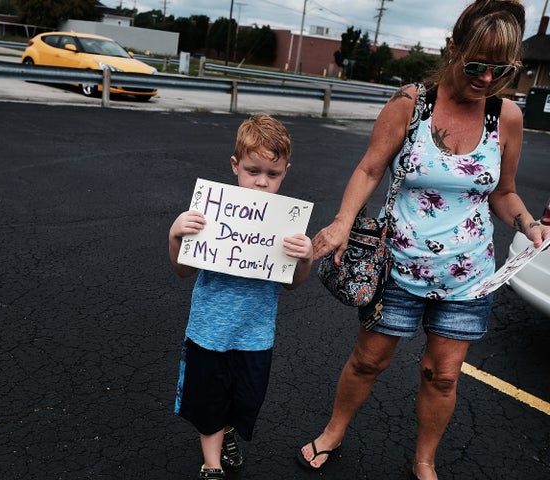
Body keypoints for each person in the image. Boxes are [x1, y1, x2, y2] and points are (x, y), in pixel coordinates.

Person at [296, 1, 550, 479]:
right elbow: (370, 168)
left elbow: (505, 191)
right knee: (369, 361)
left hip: (468, 277)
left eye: (501, 70)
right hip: (398, 266)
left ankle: (424, 460)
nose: (485, 78)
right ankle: (333, 432)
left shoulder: (506, 117)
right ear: (452, 48)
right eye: (475, 64)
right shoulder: (411, 103)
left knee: (444, 375)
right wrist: (342, 222)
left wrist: (529, 225)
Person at [169, 114, 314, 480]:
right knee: (209, 400)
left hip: (255, 336)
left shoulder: (285, 223)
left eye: (273, 174)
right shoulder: (213, 213)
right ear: (235, 166)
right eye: (252, 171)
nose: (262, 182)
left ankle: (229, 430)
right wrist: (175, 235)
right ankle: (212, 463)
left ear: (286, 172)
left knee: (247, 399)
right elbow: (182, 269)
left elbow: (293, 283)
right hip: (208, 331)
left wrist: (307, 257)